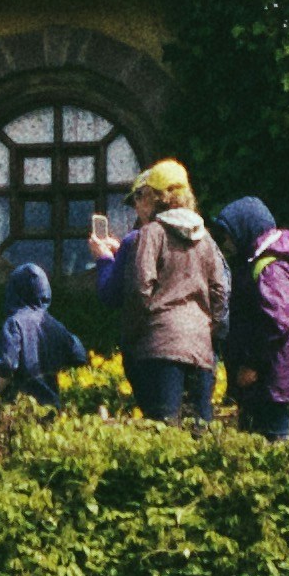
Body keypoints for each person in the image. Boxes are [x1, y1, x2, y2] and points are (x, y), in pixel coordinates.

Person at [88, 163, 227, 423]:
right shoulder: (206, 239)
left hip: (160, 347)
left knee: (164, 431)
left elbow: (140, 291)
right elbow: (220, 292)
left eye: (139, 197)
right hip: (200, 349)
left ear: (152, 197)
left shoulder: (150, 234)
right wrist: (210, 335)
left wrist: (132, 340)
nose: (136, 206)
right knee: (200, 434)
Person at [210, 194, 289, 438]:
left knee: (273, 443)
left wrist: (252, 364)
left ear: (245, 228)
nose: (226, 242)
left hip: (271, 378)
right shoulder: (256, 262)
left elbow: (276, 322)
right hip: (265, 378)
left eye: (228, 234)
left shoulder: (273, 267)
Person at [0, 260, 87, 409]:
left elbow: (6, 364)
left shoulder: (14, 323)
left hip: (23, 406)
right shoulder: (54, 325)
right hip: (53, 405)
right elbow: (79, 355)